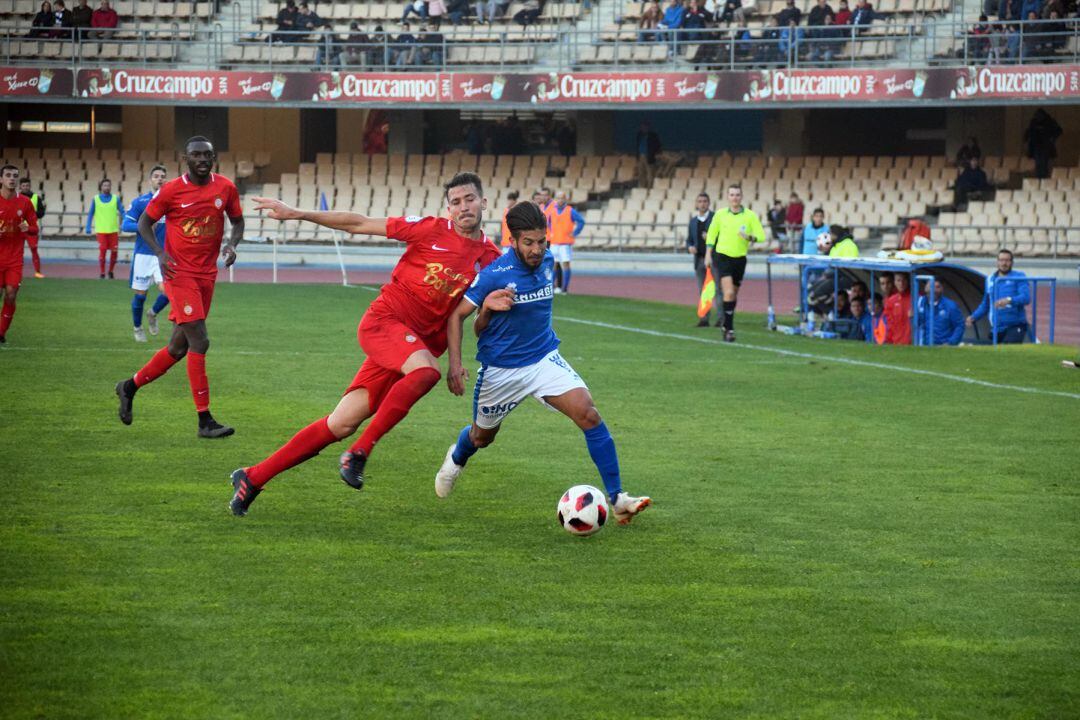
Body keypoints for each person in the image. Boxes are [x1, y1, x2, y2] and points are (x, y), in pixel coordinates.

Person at [228, 172, 501, 516]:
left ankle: (252, 478)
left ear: (484, 202)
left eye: (470, 199)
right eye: (456, 202)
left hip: (410, 349)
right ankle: (359, 452)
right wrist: (298, 213)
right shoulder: (429, 229)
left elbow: (462, 316)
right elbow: (358, 223)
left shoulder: (491, 259)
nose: (464, 207)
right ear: (448, 209)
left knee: (339, 423)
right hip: (385, 324)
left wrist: (463, 351)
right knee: (425, 373)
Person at [434, 201, 652, 524]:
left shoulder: (549, 261)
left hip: (543, 359)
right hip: (502, 370)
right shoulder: (495, 274)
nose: (537, 250)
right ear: (513, 241)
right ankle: (457, 456)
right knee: (482, 438)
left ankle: (618, 499)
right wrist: (457, 360)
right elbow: (461, 318)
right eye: (529, 243)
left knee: (589, 414)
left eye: (541, 241)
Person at [114, 136, 243, 439]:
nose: (202, 159)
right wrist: (160, 253)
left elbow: (237, 221)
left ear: (214, 158)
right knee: (200, 342)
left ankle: (129, 386)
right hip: (178, 273)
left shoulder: (225, 187)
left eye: (207, 155)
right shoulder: (171, 190)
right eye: (196, 155)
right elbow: (145, 223)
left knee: (178, 346)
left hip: (206, 275)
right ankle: (204, 420)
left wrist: (232, 244)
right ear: (185, 158)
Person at [704, 183, 764, 342]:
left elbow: (761, 236)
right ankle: (729, 328)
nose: (734, 198)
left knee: (733, 295)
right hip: (722, 256)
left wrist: (749, 237)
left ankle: (726, 323)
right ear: (727, 197)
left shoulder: (750, 216)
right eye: (732, 195)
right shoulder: (720, 214)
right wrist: (708, 254)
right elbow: (711, 234)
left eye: (737, 195)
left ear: (741, 197)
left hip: (740, 259)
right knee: (728, 292)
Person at [121, 164, 171, 344]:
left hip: (163, 255)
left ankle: (153, 313)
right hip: (143, 254)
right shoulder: (140, 202)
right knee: (140, 295)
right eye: (156, 176)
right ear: (150, 180)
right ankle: (137, 327)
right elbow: (125, 226)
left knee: (170, 292)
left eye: (163, 176)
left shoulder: (172, 203)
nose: (160, 178)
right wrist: (145, 226)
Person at [0, 165, 39, 345]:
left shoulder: (25, 202)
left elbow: (34, 228)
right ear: (1, 179)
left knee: (11, 293)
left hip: (14, 259)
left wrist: (27, 228)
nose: (12, 179)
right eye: (8, 175)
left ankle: (1, 333)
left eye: (15, 176)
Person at [966, 248, 1030, 343]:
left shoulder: (1019, 276)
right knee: (998, 355)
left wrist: (1009, 300)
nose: (1004, 263)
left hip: (1015, 326)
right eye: (1001, 260)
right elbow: (986, 304)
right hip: (997, 327)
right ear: (997, 262)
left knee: (1007, 353)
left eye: (1007, 260)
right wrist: (973, 317)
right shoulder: (990, 279)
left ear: (1012, 262)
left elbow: (1026, 298)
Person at [543, 190, 584, 295]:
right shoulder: (552, 211)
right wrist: (552, 232)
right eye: (558, 198)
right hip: (555, 242)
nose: (559, 200)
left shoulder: (570, 211)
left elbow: (581, 221)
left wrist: (575, 233)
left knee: (565, 264)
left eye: (562, 198)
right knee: (553, 264)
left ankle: (564, 289)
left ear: (565, 199)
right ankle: (551, 287)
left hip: (565, 243)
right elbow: (549, 223)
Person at [85, 178, 123, 279]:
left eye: (108, 185)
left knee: (114, 253)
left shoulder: (116, 199)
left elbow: (123, 212)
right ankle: (102, 273)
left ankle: (110, 271)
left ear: (111, 187)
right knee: (103, 252)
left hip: (113, 231)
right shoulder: (96, 199)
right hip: (101, 231)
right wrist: (88, 226)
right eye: (104, 185)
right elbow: (90, 214)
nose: (106, 187)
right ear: (101, 187)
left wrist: (128, 222)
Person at [687, 192, 715, 327]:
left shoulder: (716, 219)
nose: (702, 204)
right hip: (699, 260)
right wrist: (690, 247)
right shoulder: (693, 222)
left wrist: (710, 238)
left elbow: (722, 238)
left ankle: (722, 319)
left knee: (719, 290)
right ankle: (704, 318)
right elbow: (689, 240)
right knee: (703, 291)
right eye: (700, 201)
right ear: (696, 204)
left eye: (705, 201)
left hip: (714, 259)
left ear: (709, 203)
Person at [917, 278, 965, 346]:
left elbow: (960, 326)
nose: (934, 290)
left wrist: (950, 343)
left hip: (943, 347)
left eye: (937, 287)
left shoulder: (950, 306)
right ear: (925, 288)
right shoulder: (920, 303)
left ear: (942, 289)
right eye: (931, 286)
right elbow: (916, 324)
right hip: (925, 346)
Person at [18, 177, 45, 278]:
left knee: (34, 249)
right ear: (20, 186)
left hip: (31, 228)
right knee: (17, 251)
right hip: (18, 229)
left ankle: (37, 272)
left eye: (27, 185)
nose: (25, 187)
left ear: (30, 186)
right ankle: (17, 271)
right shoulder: (15, 197)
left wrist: (32, 214)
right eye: (23, 186)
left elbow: (42, 213)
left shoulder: (36, 198)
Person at [1023, 109, 1062, 179]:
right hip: (1036, 146)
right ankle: (1038, 177)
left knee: (1044, 163)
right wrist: (1026, 140)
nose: (1038, 117)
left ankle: (1044, 178)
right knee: (1038, 164)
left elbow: (1059, 130)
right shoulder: (1034, 122)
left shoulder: (1050, 121)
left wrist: (1052, 138)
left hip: (1045, 146)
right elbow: (1029, 131)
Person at [883, 271, 912, 344]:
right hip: (896, 342)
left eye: (904, 280)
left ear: (908, 281)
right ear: (894, 282)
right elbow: (889, 323)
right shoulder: (891, 301)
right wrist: (888, 340)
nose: (901, 283)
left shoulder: (916, 298)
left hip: (912, 342)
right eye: (898, 280)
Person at [635, 121, 662, 189]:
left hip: (649, 156)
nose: (643, 128)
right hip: (641, 155)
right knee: (641, 172)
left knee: (650, 173)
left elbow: (658, 145)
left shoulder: (653, 135)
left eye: (645, 127)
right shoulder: (639, 135)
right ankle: (642, 186)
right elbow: (637, 145)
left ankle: (650, 187)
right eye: (642, 127)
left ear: (648, 127)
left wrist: (653, 153)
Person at [500, 190, 519, 254]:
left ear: (514, 201)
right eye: (508, 200)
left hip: (512, 240)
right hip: (505, 239)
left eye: (510, 200)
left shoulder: (517, 211)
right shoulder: (505, 210)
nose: (509, 202)